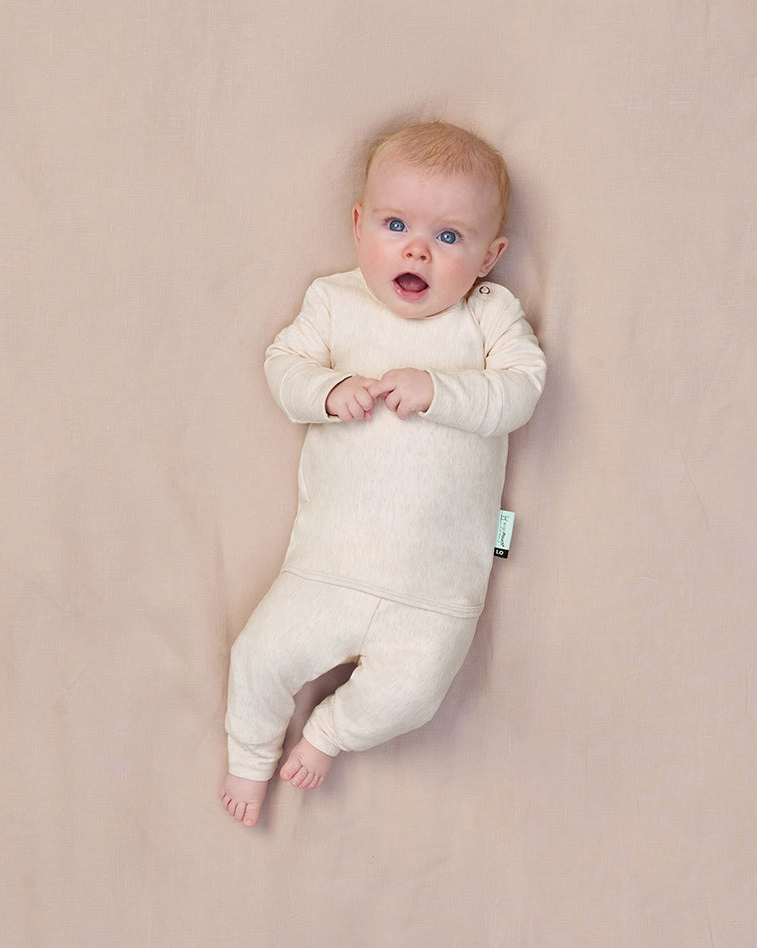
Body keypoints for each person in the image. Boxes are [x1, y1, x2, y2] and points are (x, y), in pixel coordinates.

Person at [221, 120, 547, 827]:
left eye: (449, 237)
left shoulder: (489, 318)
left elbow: (521, 391)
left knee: (414, 693)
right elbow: (285, 365)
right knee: (257, 659)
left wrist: (441, 389)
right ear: (359, 222)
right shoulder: (335, 301)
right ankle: (250, 758)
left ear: (490, 257)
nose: (417, 249)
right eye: (395, 224)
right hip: (326, 569)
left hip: (434, 592)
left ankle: (329, 732)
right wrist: (327, 393)